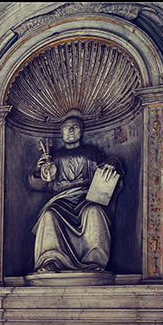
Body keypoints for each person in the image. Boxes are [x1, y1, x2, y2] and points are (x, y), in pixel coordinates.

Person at [28, 112, 123, 273]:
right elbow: (38, 185)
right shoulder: (55, 156)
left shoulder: (91, 152)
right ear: (61, 132)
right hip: (61, 200)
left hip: (87, 197)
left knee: (94, 212)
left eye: (75, 127)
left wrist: (113, 163)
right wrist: (39, 169)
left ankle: (94, 262)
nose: (70, 130)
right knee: (49, 215)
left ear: (81, 131)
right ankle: (51, 260)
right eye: (66, 128)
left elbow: (108, 168)